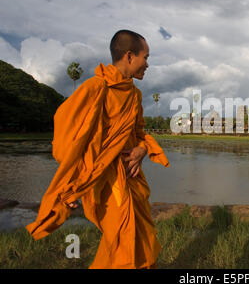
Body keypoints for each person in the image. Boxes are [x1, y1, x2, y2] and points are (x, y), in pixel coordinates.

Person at [26, 30, 170, 269]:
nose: (147, 64)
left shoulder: (134, 96)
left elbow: (138, 134)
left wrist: (142, 149)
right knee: (123, 240)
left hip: (131, 178)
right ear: (129, 56)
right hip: (104, 180)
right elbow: (68, 139)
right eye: (146, 57)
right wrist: (73, 183)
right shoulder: (95, 87)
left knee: (142, 236)